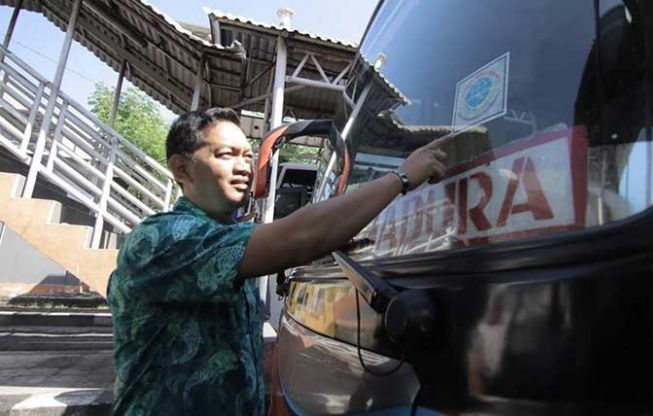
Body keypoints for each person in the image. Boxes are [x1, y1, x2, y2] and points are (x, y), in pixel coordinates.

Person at [107, 107, 448, 415]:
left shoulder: (229, 241)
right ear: (181, 168)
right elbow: (297, 237)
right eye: (226, 155)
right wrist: (401, 178)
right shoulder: (161, 239)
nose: (243, 167)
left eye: (248, 155)